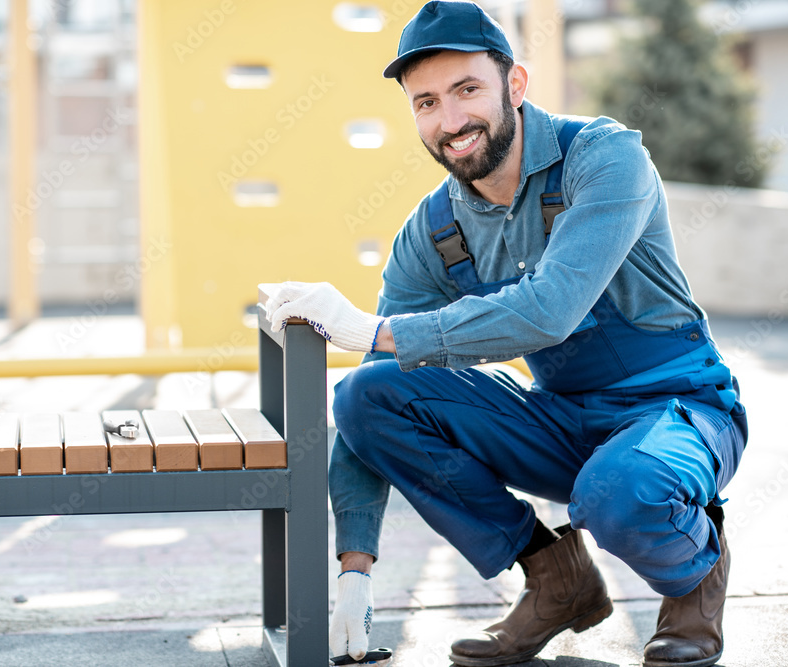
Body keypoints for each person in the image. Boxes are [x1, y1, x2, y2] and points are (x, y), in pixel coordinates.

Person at [264, 2, 748, 665]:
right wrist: (354, 569)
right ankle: (556, 577)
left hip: (676, 411)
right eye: (426, 102)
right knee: (369, 393)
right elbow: (368, 407)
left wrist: (370, 329)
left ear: (514, 85)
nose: (450, 120)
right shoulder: (434, 231)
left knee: (620, 490)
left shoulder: (604, 158)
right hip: (564, 421)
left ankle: (696, 577)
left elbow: (551, 310)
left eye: (467, 90)